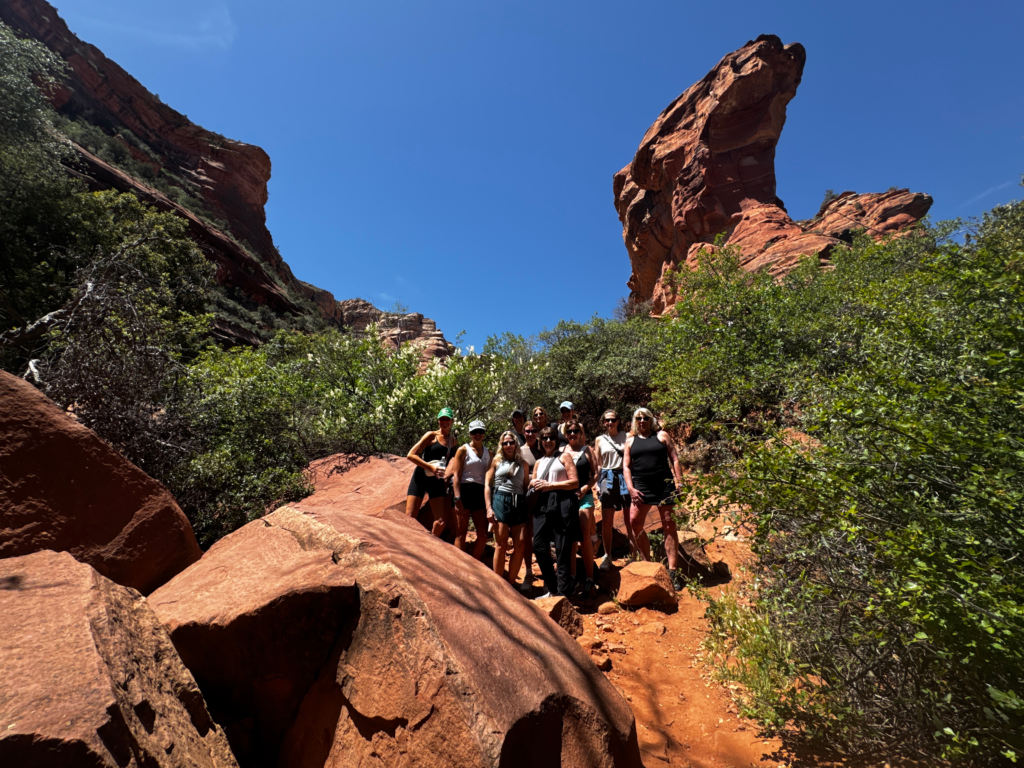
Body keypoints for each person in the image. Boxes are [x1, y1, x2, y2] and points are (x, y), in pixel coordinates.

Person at [623, 407, 687, 590]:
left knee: (669, 524)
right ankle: (648, 564)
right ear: (635, 421)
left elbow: (674, 458)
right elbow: (626, 467)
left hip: (664, 486)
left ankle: (673, 571)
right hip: (641, 488)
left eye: (645, 418)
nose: (642, 421)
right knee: (635, 522)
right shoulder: (630, 441)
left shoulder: (662, 436)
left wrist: (679, 483)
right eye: (638, 418)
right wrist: (631, 488)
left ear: (650, 420)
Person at [530, 426, 580, 597]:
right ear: (541, 441)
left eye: (551, 438)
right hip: (543, 503)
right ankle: (552, 588)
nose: (548, 441)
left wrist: (550, 485)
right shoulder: (539, 462)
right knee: (538, 545)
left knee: (562, 547)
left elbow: (574, 482)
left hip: (563, 501)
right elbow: (533, 482)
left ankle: (562, 593)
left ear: (556, 440)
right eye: (544, 438)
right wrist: (533, 483)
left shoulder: (564, 457)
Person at [485, 430, 530, 587]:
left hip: (518, 502)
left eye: (511, 442)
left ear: (516, 444)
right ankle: (498, 585)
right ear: (501, 445)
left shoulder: (523, 464)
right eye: (505, 443)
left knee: (520, 544)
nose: (508, 445)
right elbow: (487, 484)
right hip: (500, 500)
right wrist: (489, 508)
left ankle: (510, 585)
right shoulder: (496, 461)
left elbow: (524, 487)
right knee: (501, 544)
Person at [405, 407, 456, 538]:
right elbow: (411, 455)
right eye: (441, 419)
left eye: (447, 419)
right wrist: (430, 467)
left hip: (437, 479)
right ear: (438, 421)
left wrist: (450, 476)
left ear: (452, 421)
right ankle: (407, 546)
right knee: (409, 518)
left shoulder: (453, 442)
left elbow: (455, 461)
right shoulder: (431, 436)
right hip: (421, 476)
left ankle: (431, 546)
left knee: (440, 522)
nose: (444, 422)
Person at [564, 420, 600, 597]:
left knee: (585, 537)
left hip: (584, 497)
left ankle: (589, 579)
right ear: (565, 434)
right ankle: (571, 577)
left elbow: (595, 473)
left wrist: (586, 487)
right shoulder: (562, 451)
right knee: (570, 538)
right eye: (569, 431)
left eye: (575, 431)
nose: (572, 434)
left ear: (580, 432)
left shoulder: (587, 450)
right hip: (567, 498)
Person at [595, 409, 634, 569]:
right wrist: (597, 483)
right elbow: (598, 463)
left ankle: (634, 554)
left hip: (624, 477)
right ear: (603, 422)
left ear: (618, 421)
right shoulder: (599, 439)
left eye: (612, 420)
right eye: (607, 420)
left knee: (629, 519)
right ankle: (607, 555)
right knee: (607, 520)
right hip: (607, 477)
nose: (610, 423)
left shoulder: (627, 436)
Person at [449, 420, 491, 561]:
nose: (477, 434)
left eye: (480, 432)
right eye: (474, 432)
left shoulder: (488, 453)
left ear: (484, 433)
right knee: (461, 533)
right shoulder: (463, 450)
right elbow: (456, 475)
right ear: (469, 434)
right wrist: (457, 498)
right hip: (465, 491)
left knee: (483, 534)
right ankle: (459, 565)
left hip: (480, 493)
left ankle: (474, 564)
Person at [517, 420, 542, 593]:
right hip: (525, 498)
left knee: (541, 536)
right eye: (528, 431)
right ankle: (528, 572)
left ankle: (546, 573)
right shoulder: (519, 451)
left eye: (534, 430)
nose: (531, 433)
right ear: (523, 432)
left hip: (543, 498)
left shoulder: (544, 449)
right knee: (526, 536)